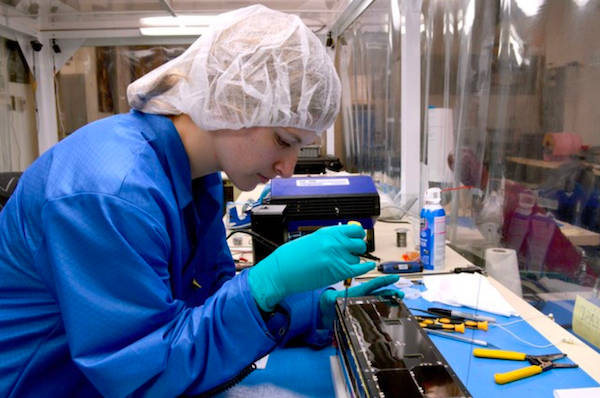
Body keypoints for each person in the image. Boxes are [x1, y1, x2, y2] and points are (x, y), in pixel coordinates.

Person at [0, 5, 400, 397]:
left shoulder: (195, 176)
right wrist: (266, 281)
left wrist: (314, 308)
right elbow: (145, 373)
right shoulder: (113, 193)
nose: (288, 170)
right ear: (232, 103)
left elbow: (206, 299)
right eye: (283, 140)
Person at [447, 148, 593, 282]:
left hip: (562, 271)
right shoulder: (490, 194)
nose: (466, 174)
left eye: (467, 167)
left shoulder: (509, 197)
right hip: (539, 267)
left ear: (481, 165)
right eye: (460, 170)